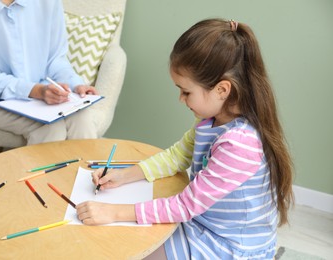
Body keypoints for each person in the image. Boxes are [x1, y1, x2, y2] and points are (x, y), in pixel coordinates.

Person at [76, 19, 294, 259]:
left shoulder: (239, 144)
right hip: (204, 222)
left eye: (186, 91)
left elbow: (185, 205)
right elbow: (177, 155)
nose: (181, 98)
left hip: (230, 247)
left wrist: (114, 213)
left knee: (130, 249)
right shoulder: (211, 119)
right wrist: (122, 176)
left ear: (222, 90)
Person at [0, 0, 99, 145]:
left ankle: (91, 172)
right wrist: (38, 91)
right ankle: (36, 173)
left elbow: (55, 59)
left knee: (82, 117)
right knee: (50, 128)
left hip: (41, 92)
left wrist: (75, 84)